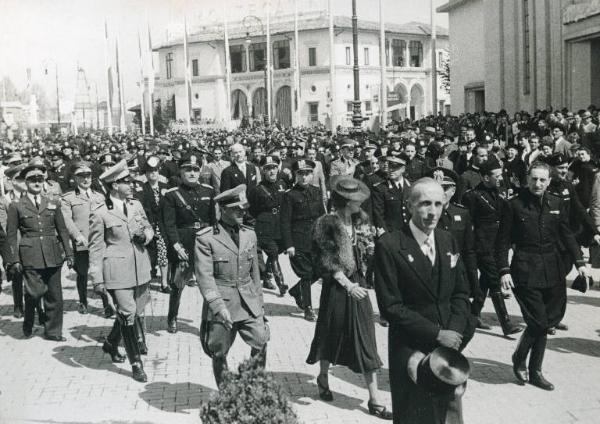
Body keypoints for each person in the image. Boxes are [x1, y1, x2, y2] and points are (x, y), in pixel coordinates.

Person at [374, 177, 475, 424]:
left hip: (448, 350)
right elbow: (391, 306)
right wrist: (437, 334)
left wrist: (454, 331)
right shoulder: (390, 245)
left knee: (449, 415)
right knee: (415, 416)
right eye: (425, 204)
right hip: (411, 347)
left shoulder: (447, 239)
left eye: (438, 204)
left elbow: (461, 293)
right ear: (409, 205)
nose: (432, 212)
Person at [496, 161, 590, 391]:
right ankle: (520, 358)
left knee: (547, 321)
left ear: (549, 182)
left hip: (553, 269)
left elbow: (567, 235)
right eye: (533, 179)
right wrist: (504, 270)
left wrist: (580, 263)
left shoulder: (557, 203)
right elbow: (502, 242)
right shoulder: (514, 205)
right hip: (525, 269)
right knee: (537, 321)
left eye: (542, 180)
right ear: (527, 179)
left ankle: (536, 371)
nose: (537, 184)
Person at [307, 176, 392, 420]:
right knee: (330, 332)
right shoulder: (326, 224)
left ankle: (375, 399)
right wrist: (347, 284)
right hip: (337, 287)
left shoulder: (361, 221)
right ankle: (323, 376)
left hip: (360, 286)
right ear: (346, 202)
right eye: (356, 201)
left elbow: (370, 253)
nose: (360, 204)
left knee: (366, 339)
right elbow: (326, 259)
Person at [195, 184, 269, 387]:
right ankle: (225, 391)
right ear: (223, 210)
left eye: (243, 209)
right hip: (223, 303)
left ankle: (254, 385)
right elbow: (205, 277)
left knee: (261, 339)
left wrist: (260, 306)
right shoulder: (206, 238)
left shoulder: (249, 235)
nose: (242, 212)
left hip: (248, 301)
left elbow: (255, 275)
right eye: (236, 209)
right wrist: (218, 308)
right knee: (218, 351)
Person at [88, 160, 154, 382]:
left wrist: (146, 236)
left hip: (140, 267)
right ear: (115, 185)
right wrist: (97, 279)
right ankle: (136, 364)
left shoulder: (135, 205)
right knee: (127, 313)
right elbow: (96, 248)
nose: (132, 184)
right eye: (127, 181)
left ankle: (110, 343)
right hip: (117, 270)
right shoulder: (100, 213)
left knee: (135, 310)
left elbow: (148, 227)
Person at [5, 158, 73, 341]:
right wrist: (14, 259)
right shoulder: (16, 206)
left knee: (55, 296)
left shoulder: (52, 202)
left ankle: (53, 331)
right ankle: (29, 317)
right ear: (26, 183)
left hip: (52, 253)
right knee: (35, 292)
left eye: (39, 180)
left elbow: (62, 230)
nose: (36, 183)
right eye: (32, 180)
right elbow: (11, 235)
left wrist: (69, 253)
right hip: (30, 254)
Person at [462, 160, 522, 336]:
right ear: (486, 177)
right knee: (495, 280)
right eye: (497, 175)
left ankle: (472, 315)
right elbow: (468, 224)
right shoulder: (472, 196)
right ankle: (506, 324)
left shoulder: (500, 193)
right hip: (480, 246)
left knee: (486, 282)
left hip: (497, 246)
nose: (500, 178)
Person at [162, 153, 216, 333]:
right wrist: (176, 245)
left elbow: (214, 221)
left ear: (200, 171)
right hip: (183, 244)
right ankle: (172, 318)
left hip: (205, 243)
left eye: (195, 169)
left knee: (208, 284)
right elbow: (168, 224)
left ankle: (207, 321)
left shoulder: (209, 191)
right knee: (178, 284)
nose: (192, 173)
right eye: (187, 170)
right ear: (181, 172)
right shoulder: (172, 195)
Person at [61, 161, 114, 317]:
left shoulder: (100, 196)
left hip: (100, 242)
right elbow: (67, 220)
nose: (85, 179)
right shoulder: (68, 198)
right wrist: (77, 236)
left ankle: (107, 304)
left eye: (88, 176)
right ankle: (83, 301)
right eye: (81, 176)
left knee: (101, 273)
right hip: (82, 242)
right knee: (83, 273)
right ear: (75, 178)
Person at [280, 159, 326, 321]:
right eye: (301, 174)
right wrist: (289, 245)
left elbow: (322, 216)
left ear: (312, 174)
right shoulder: (290, 195)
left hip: (316, 239)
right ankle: (308, 307)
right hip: (299, 240)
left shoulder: (317, 191)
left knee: (320, 270)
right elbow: (285, 221)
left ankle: (296, 290)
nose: (304, 177)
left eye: (307, 174)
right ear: (295, 175)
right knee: (306, 274)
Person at [248, 155, 288, 296]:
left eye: (274, 168)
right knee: (273, 252)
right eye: (268, 169)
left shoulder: (282, 184)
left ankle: (266, 275)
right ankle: (281, 283)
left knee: (276, 251)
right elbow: (252, 210)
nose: (272, 171)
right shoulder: (257, 189)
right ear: (263, 171)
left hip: (280, 224)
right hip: (265, 225)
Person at [136, 156, 170, 293]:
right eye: (150, 171)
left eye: (155, 171)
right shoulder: (141, 190)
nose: (153, 174)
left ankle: (164, 282)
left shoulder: (165, 188)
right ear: (146, 174)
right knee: (148, 255)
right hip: (148, 226)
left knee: (163, 254)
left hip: (162, 226)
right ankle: (147, 282)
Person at [372, 155, 411, 235]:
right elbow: (378, 216)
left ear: (403, 169)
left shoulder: (411, 186)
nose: (391, 170)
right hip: (392, 235)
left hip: (410, 234)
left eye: (395, 167)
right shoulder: (380, 188)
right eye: (389, 167)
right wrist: (386, 237)